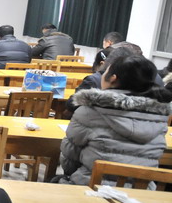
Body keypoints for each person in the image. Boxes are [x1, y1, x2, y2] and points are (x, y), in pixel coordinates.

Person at [59, 55, 172, 186]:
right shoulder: (159, 115)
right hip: (140, 191)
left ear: (113, 78)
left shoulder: (89, 111)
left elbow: (69, 160)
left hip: (92, 188)